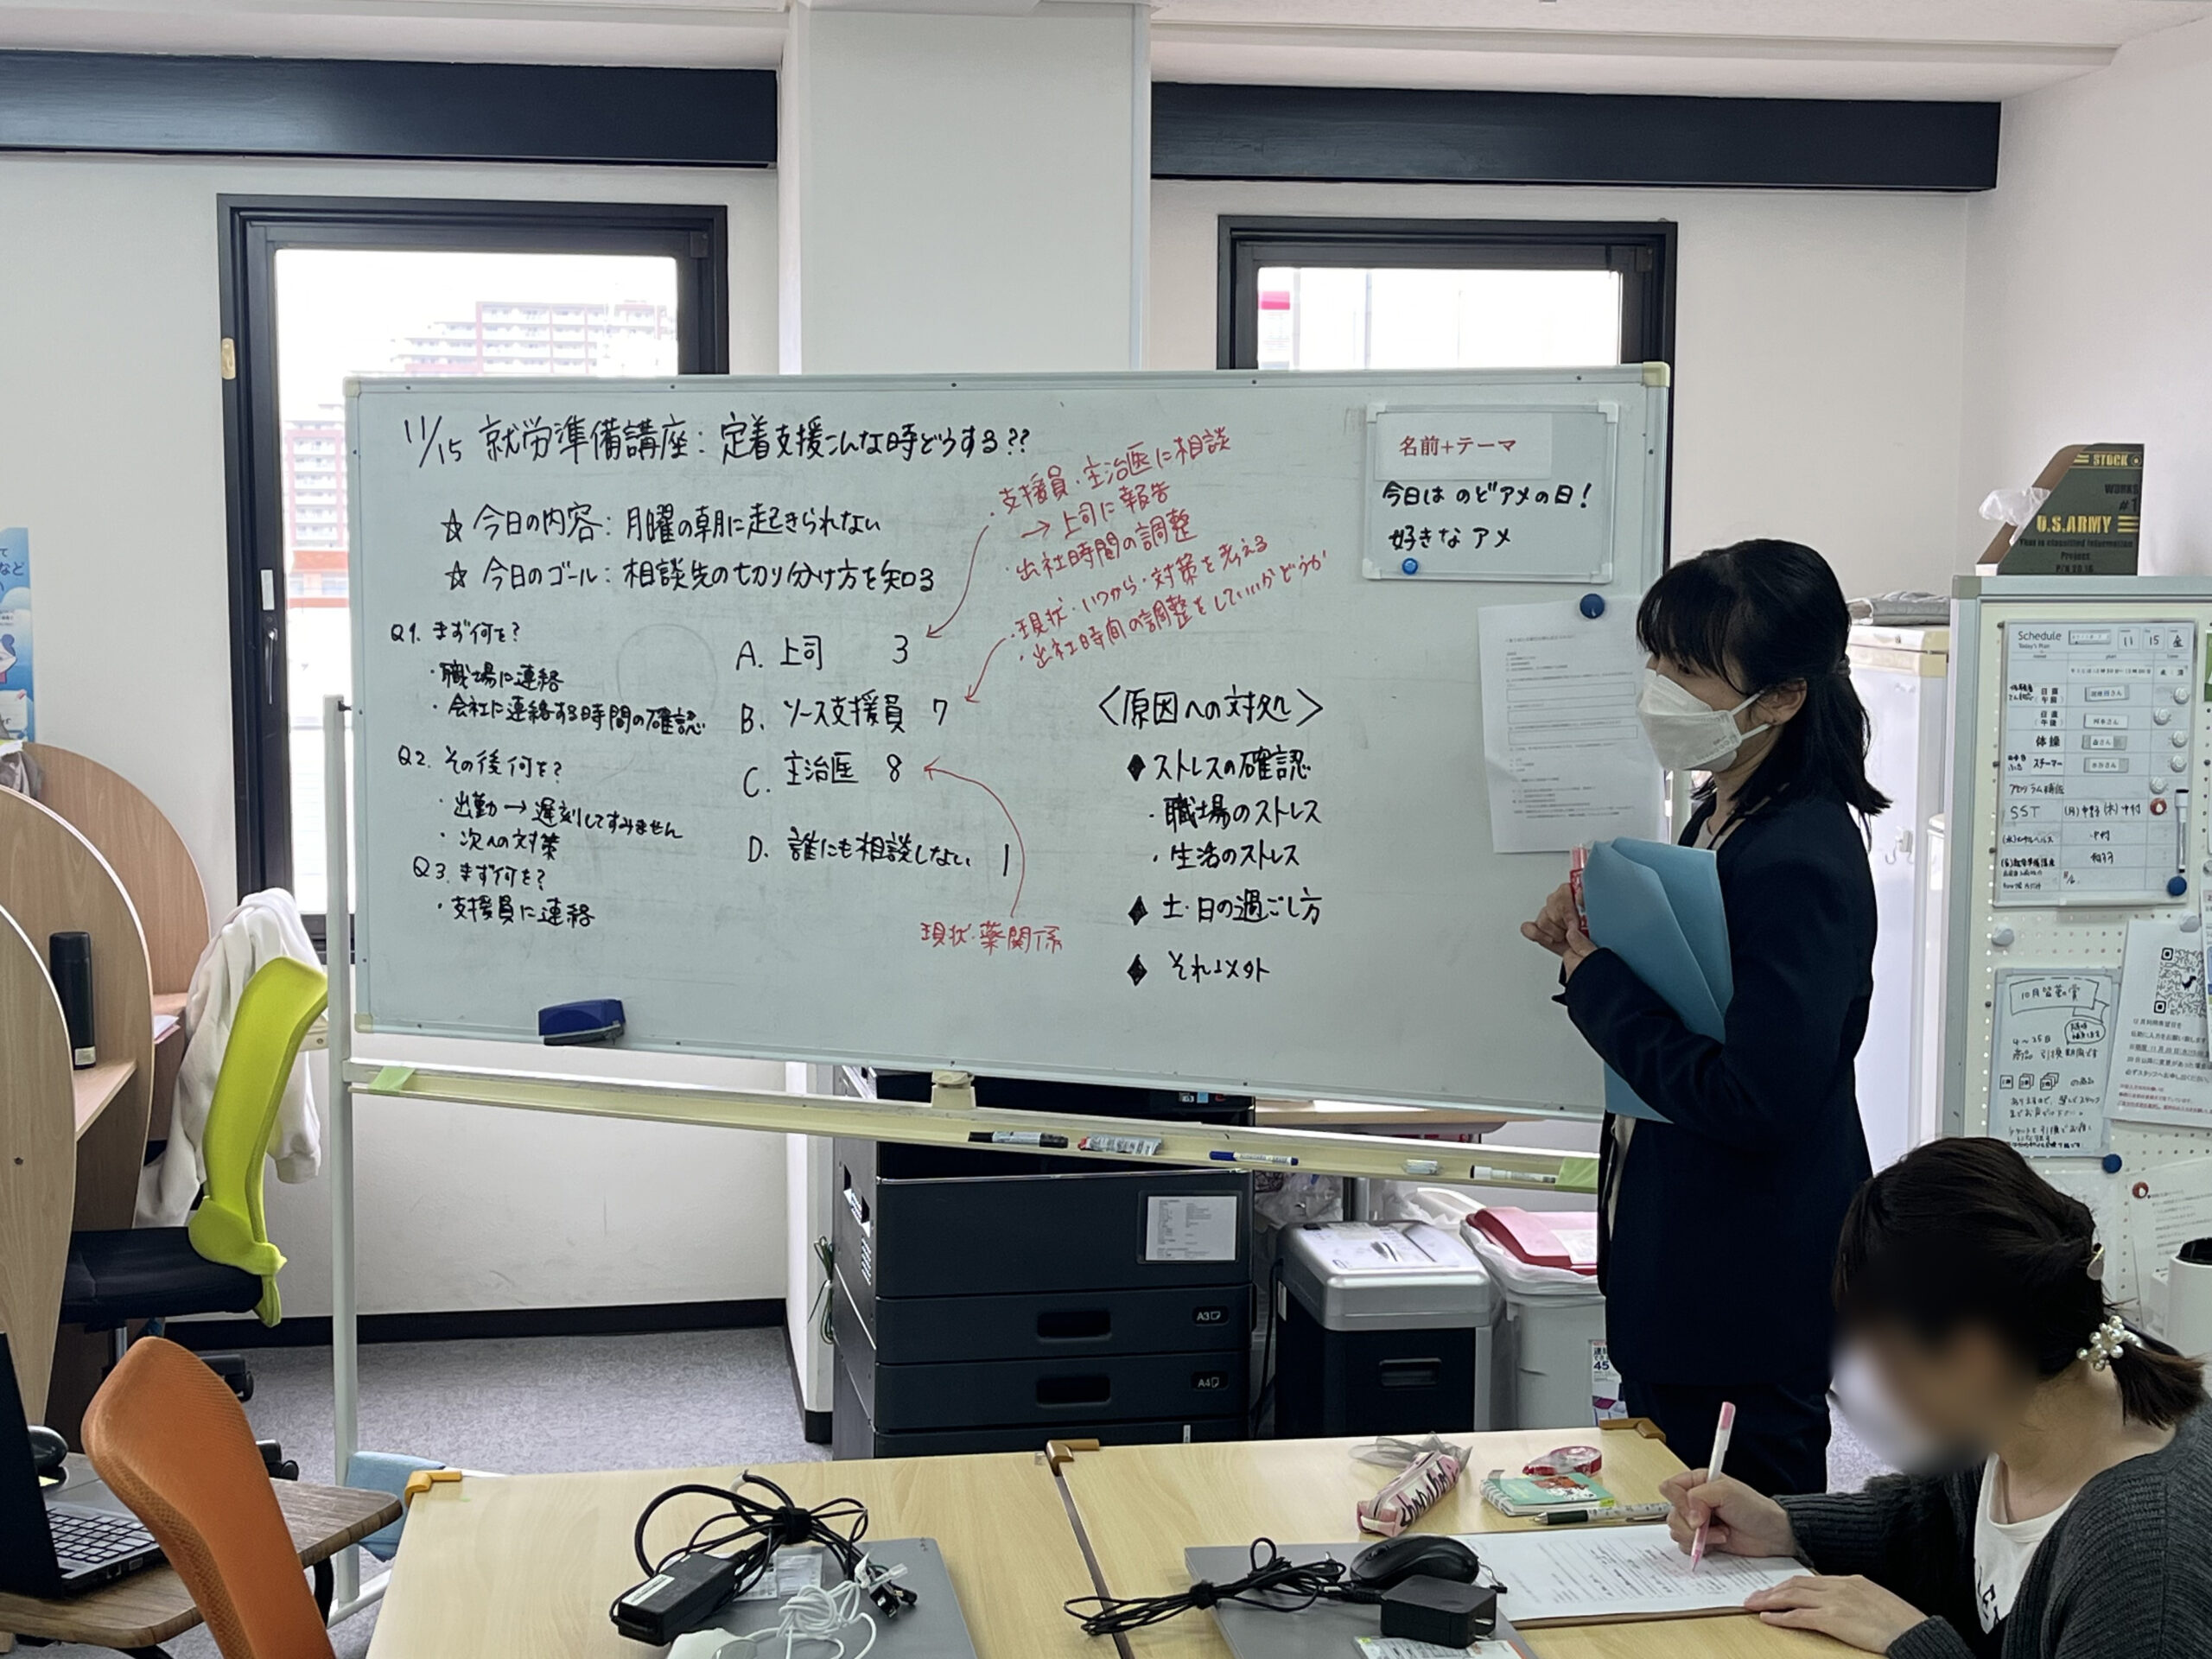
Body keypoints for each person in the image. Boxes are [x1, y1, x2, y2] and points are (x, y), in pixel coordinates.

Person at [1521, 538, 1885, 1494]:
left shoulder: (1797, 856)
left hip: (1743, 1292)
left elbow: (1756, 1098)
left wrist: (1595, 979)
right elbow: (1704, 998)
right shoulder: (1726, 804)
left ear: (1782, 698)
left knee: (1739, 1548)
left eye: (1686, 671)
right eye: (1656, 660)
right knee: (1665, 1524)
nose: (1658, 689)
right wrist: (1599, 930)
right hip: (1686, 1264)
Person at [1661, 1138, 2212, 1656]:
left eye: (1890, 1359)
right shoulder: (2034, 1397)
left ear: (1974, 1353)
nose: (1882, 1386)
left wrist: (1915, 1640)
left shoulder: (2142, 1566)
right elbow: (1933, 1522)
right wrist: (1784, 1525)